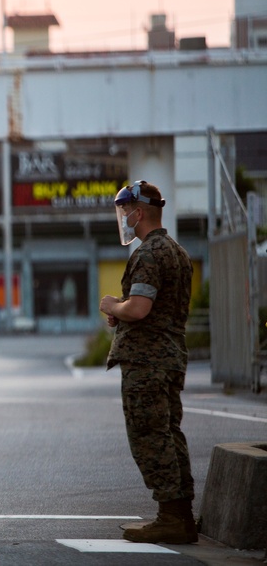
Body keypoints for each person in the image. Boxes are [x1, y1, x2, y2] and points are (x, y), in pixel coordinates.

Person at [99, 180, 196, 545]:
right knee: (170, 433)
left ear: (139, 213)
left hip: (147, 363)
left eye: (125, 212)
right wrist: (123, 313)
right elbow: (155, 308)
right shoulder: (178, 252)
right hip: (170, 359)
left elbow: (139, 308)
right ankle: (181, 515)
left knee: (149, 436)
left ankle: (171, 517)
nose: (123, 218)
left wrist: (113, 306)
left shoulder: (148, 253)